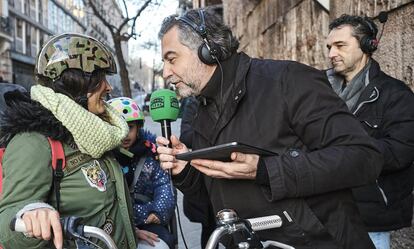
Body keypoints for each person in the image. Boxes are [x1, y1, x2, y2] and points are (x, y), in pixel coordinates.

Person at [156, 8, 385, 249]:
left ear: (208, 49)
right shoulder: (201, 109)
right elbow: (215, 198)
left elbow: (364, 157)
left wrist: (265, 170)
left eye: (171, 59)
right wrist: (185, 173)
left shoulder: (288, 79)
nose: (166, 73)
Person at [0, 33, 136, 249]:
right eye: (101, 78)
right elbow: (7, 224)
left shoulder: (94, 130)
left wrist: (130, 230)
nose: (108, 88)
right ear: (78, 83)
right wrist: (31, 215)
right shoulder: (33, 142)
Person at [326, 15, 414, 249]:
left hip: (370, 219)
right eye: (329, 47)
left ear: (367, 45)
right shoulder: (318, 92)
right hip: (325, 215)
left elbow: (401, 150)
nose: (331, 54)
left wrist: (343, 154)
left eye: (340, 45)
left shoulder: (396, 95)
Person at [108, 97, 176, 249]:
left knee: (160, 243)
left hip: (148, 220)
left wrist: (159, 211)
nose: (125, 134)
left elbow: (164, 185)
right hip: (118, 224)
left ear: (138, 128)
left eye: (129, 127)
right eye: (118, 128)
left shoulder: (150, 155)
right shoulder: (107, 158)